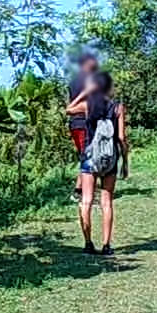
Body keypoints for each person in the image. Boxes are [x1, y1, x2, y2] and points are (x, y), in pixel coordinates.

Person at [65, 70, 128, 256]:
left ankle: (88, 244)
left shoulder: (87, 105)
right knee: (107, 202)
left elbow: (69, 109)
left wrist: (85, 93)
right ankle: (107, 246)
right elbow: (122, 138)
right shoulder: (118, 108)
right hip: (110, 158)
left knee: (86, 200)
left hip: (90, 157)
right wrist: (125, 163)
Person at [66, 53, 100, 202]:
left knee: (86, 156)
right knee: (87, 157)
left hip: (75, 123)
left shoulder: (74, 81)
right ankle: (81, 192)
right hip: (83, 123)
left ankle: (81, 190)